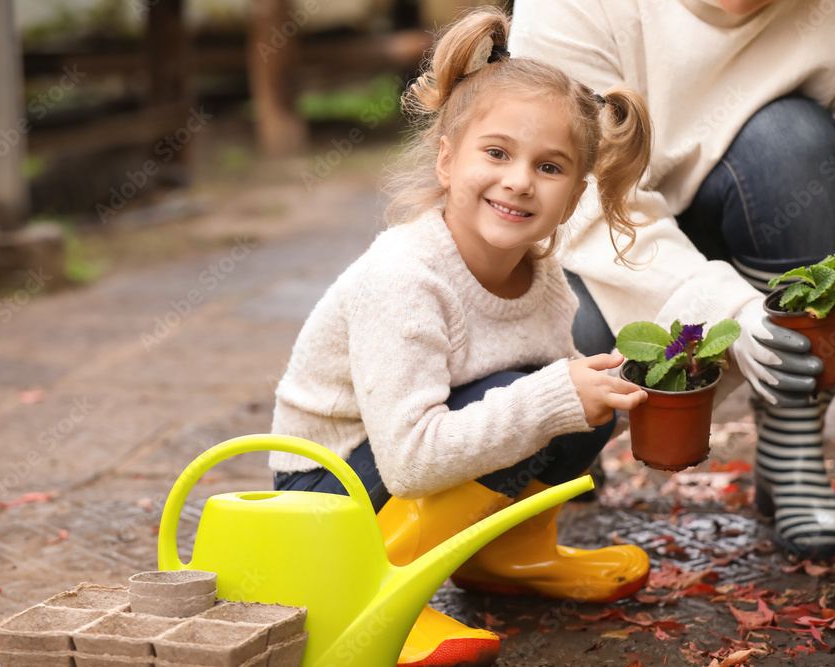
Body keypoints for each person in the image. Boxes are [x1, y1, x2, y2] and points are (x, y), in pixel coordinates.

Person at [269, 7, 654, 666]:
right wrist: (551, 397)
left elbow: (546, 410)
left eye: (551, 167)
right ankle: (376, 591)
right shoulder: (405, 276)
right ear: (448, 160)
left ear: (574, 196)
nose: (519, 181)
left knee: (579, 400)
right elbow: (412, 461)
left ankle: (508, 555)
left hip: (406, 468)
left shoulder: (543, 277)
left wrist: (584, 395)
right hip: (326, 502)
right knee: (537, 398)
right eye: (497, 153)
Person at [510, 0, 835, 560]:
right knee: (547, 373)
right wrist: (728, 307)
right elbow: (582, 204)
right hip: (600, 254)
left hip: (756, 207)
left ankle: (791, 443)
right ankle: (568, 465)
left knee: (795, 144)